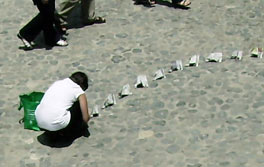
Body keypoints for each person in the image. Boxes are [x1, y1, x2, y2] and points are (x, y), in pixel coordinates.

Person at [35, 72, 91, 138]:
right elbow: (85, 118)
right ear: (82, 85)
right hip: (56, 123)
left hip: (39, 120)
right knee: (77, 106)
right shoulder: (79, 91)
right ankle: (68, 131)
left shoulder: (58, 83)